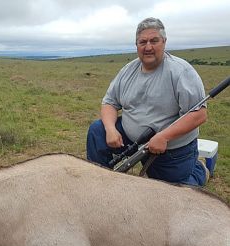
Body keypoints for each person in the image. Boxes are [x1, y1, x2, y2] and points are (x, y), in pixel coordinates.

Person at [86, 17, 208, 186]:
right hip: (132, 138)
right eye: (143, 42)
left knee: (175, 194)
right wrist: (110, 129)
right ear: (136, 45)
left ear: (164, 42)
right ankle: (100, 183)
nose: (148, 47)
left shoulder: (182, 72)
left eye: (154, 41)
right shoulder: (128, 70)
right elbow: (109, 103)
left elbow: (199, 115)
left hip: (169, 148)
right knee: (97, 131)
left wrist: (164, 136)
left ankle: (200, 169)